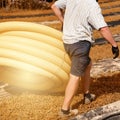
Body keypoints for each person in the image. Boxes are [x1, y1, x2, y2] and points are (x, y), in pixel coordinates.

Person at [51, 0, 119, 117]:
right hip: (80, 43)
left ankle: (87, 95)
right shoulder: (91, 4)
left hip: (67, 41)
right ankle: (65, 110)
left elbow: (54, 6)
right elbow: (103, 29)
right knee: (75, 76)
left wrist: (63, 21)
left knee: (87, 64)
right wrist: (114, 45)